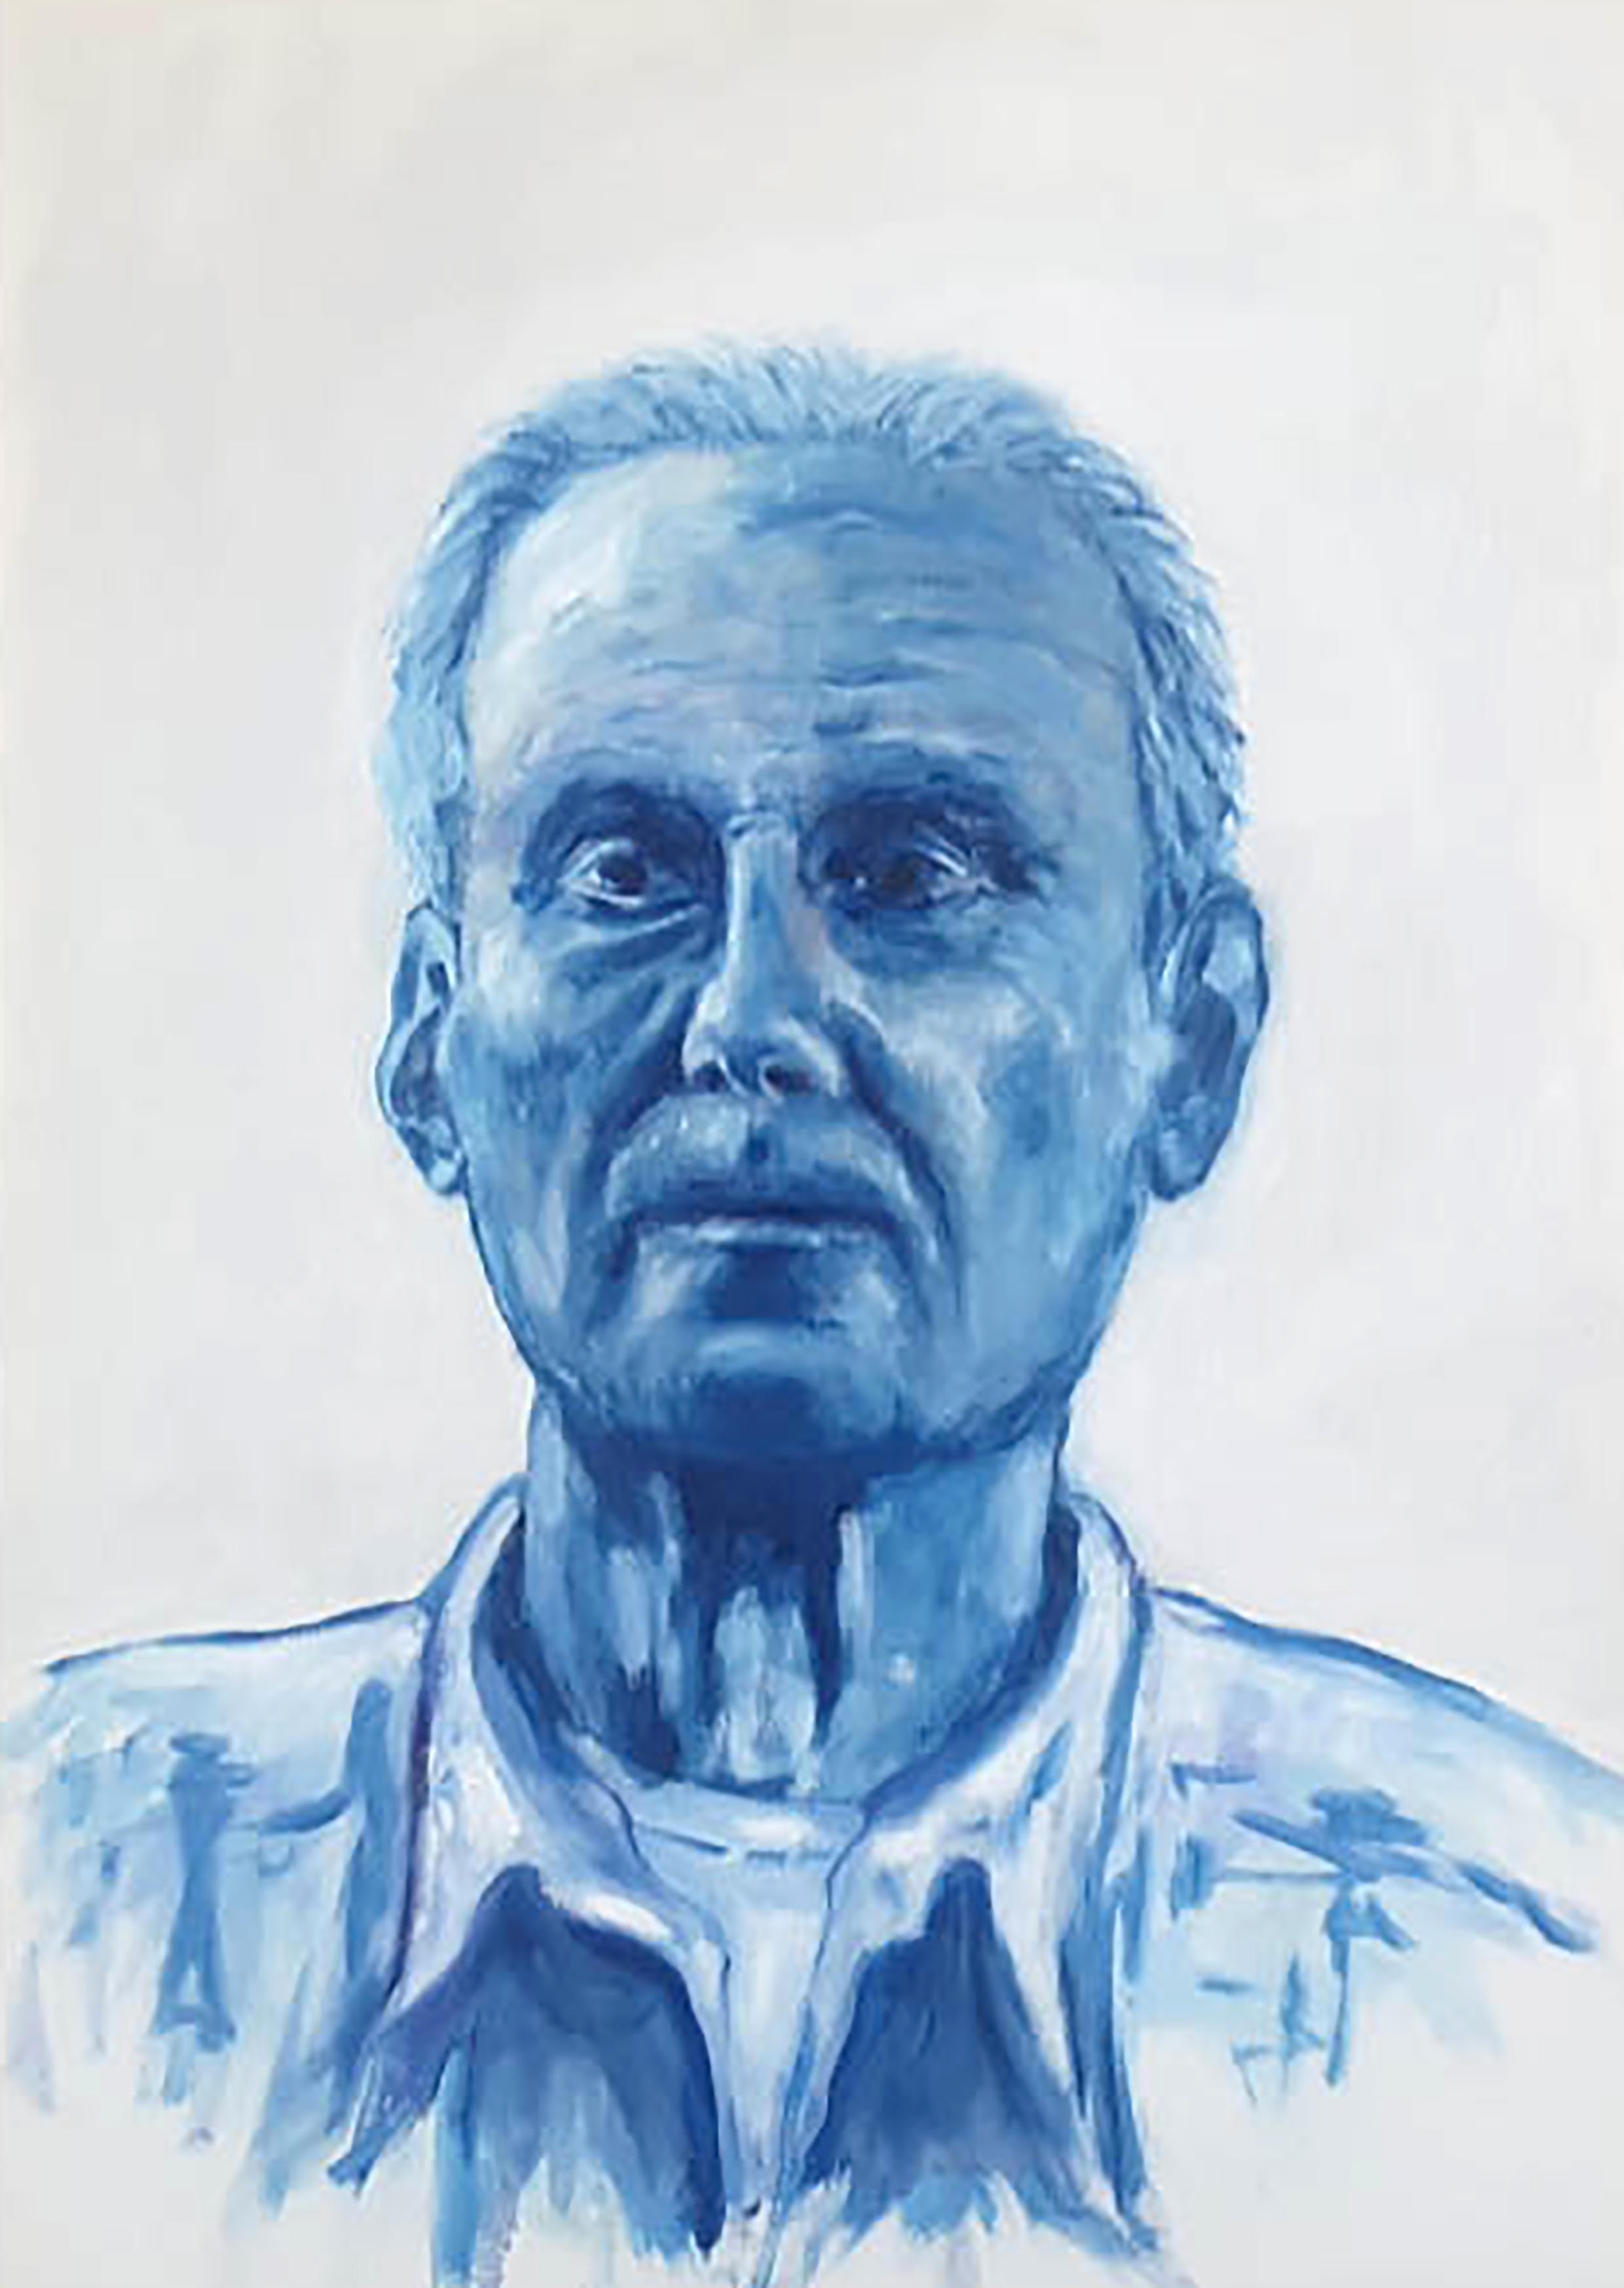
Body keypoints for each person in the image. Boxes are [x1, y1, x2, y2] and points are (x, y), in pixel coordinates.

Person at [5, 347, 1621, 2288]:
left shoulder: (1539, 1984)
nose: (749, 1021)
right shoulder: (58, 1932)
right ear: (430, 1043)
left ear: (1191, 1047)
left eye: (913, 876)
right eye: (624, 872)